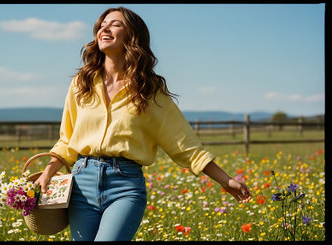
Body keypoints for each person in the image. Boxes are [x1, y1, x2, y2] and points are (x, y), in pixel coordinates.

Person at [34, 7, 252, 241]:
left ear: (132, 36)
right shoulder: (82, 83)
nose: (104, 28)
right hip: (81, 186)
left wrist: (225, 179)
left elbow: (184, 144)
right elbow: (67, 139)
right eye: (102, 24)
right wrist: (48, 172)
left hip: (124, 186)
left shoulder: (149, 89)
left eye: (115, 24)